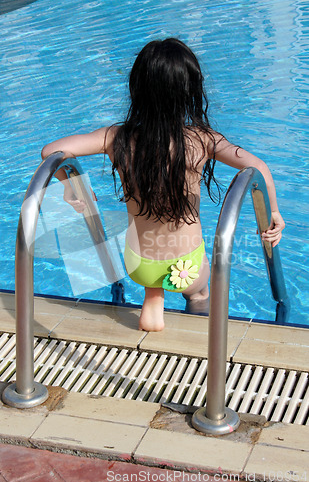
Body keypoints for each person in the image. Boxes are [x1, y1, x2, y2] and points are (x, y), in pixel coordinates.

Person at [41, 38, 285, 332]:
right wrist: (273, 212)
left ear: (137, 88)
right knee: (200, 293)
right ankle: (194, 330)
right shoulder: (202, 140)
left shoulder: (116, 138)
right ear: (190, 92)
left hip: (139, 264)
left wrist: (71, 185)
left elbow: (51, 152)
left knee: (149, 270)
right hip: (187, 265)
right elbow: (258, 167)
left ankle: (152, 295)